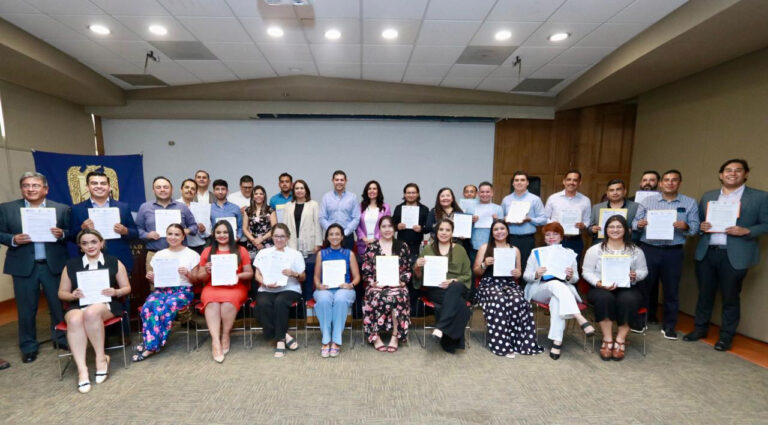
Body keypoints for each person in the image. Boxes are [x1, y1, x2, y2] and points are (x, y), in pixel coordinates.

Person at [685, 159, 768, 351]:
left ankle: (726, 336)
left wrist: (746, 230)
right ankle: (700, 328)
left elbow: (766, 224)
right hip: (707, 253)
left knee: (730, 297)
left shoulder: (760, 197)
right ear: (721, 174)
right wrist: (701, 227)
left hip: (735, 255)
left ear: (745, 174)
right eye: (728, 170)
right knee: (704, 294)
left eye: (738, 170)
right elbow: (697, 222)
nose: (732, 173)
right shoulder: (709, 196)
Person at [0, 171, 70, 363]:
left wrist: (61, 234)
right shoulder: (7, 209)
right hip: (23, 266)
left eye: (35, 185)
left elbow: (71, 233)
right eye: (26, 186)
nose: (31, 189)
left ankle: (61, 338)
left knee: (58, 306)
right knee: (26, 309)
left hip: (53, 265)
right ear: (22, 189)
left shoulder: (61, 209)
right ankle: (29, 347)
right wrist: (12, 239)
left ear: (45, 189)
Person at [57, 229, 131, 393]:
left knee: (91, 313)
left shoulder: (114, 261)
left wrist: (116, 292)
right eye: (85, 243)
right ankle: (82, 370)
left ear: (101, 243)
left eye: (93, 242)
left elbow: (127, 288)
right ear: (80, 247)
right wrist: (72, 295)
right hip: (79, 303)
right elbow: (62, 293)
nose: (90, 246)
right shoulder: (71, 265)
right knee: (75, 319)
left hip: (107, 304)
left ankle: (100, 359)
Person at [632, 169, 699, 340]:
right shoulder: (648, 201)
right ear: (661, 183)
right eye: (666, 180)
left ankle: (669, 326)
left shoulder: (689, 203)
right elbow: (634, 223)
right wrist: (639, 224)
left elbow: (696, 228)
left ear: (679, 183)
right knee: (644, 287)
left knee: (671, 290)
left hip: (673, 252)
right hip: (649, 249)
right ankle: (641, 321)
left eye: (674, 180)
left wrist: (685, 226)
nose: (670, 183)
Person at [69, 171, 137, 338]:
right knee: (94, 296)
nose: (99, 186)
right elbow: (70, 236)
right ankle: (98, 335)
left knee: (122, 296)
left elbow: (135, 233)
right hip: (90, 260)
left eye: (102, 183)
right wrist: (81, 229)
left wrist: (125, 230)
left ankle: (124, 334)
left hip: (118, 258)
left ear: (109, 187)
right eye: (94, 183)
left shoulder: (123, 207)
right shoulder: (77, 210)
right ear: (88, 187)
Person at [523, 222, 595, 360]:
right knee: (554, 284)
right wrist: (536, 274)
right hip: (540, 289)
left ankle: (557, 342)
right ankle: (579, 317)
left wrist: (569, 276)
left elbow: (575, 279)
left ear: (561, 237)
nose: (551, 237)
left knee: (557, 299)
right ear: (544, 238)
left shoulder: (569, 254)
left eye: (555, 234)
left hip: (562, 290)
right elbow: (526, 276)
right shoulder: (536, 252)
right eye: (548, 235)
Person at [472, 219, 542, 358]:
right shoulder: (485, 248)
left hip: (509, 283)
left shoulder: (514, 249)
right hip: (488, 283)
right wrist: (484, 265)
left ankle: (518, 343)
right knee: (498, 300)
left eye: (502, 228)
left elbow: (519, 272)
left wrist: (517, 273)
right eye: (496, 229)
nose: (499, 232)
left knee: (518, 300)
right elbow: (476, 271)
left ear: (507, 231)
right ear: (492, 233)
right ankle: (501, 345)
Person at [582, 216, 648, 361]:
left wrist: (635, 275)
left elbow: (644, 271)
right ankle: (607, 340)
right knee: (604, 298)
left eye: (619, 227)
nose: (615, 230)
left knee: (629, 299)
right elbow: (586, 272)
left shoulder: (636, 251)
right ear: (606, 230)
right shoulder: (595, 250)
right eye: (611, 227)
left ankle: (620, 340)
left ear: (626, 230)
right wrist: (599, 283)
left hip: (627, 287)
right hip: (601, 287)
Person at [133, 223, 200, 362]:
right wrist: (152, 279)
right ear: (166, 235)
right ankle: (149, 342)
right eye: (170, 234)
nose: (173, 237)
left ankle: (151, 347)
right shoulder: (159, 254)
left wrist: (187, 274)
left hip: (183, 290)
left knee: (166, 306)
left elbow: (196, 280)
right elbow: (156, 281)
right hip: (162, 290)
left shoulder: (192, 254)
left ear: (183, 236)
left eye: (177, 234)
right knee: (148, 307)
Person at [195, 220, 253, 362]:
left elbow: (249, 273)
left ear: (230, 234)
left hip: (235, 287)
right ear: (214, 235)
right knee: (212, 302)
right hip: (212, 286)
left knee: (227, 302)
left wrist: (236, 275)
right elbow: (199, 277)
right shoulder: (207, 251)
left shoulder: (241, 250)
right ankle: (215, 341)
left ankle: (226, 334)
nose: (222, 235)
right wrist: (207, 271)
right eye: (218, 232)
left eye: (225, 232)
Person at [413, 218, 472, 353]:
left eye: (448, 230)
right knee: (461, 305)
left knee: (455, 287)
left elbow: (467, 274)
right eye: (441, 229)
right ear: (436, 231)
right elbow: (419, 278)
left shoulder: (460, 250)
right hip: (436, 289)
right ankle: (449, 338)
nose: (444, 233)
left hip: (457, 287)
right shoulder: (428, 249)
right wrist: (416, 267)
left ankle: (440, 327)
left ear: (452, 233)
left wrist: (453, 280)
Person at [252, 224, 305, 358]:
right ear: (272, 237)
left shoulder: (295, 254)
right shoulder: (264, 253)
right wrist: (264, 282)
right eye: (276, 236)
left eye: (282, 236)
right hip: (267, 288)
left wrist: (294, 273)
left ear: (287, 238)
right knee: (261, 304)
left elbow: (303, 277)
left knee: (280, 302)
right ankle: (284, 335)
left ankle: (279, 341)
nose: (279, 239)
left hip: (289, 288)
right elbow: (256, 274)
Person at [361, 216, 411, 352]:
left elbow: (407, 270)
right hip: (377, 286)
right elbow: (366, 271)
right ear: (379, 229)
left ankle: (395, 335)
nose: (387, 229)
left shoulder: (402, 246)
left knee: (399, 295)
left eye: (390, 226)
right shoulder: (372, 247)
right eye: (384, 226)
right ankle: (375, 336)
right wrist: (373, 283)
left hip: (397, 285)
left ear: (394, 228)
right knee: (374, 295)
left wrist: (402, 281)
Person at [313, 224, 361, 358]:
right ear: (327, 237)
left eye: (337, 234)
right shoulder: (321, 254)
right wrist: (318, 285)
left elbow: (357, 277)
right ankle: (326, 340)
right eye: (331, 234)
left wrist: (350, 284)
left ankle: (336, 341)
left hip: (344, 289)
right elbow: (316, 277)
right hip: (325, 289)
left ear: (342, 236)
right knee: (323, 299)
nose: (334, 237)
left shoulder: (349, 254)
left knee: (340, 298)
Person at [136, 176, 198, 272]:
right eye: (158, 187)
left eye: (166, 187)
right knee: (155, 286)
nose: (162, 190)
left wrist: (187, 230)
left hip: (181, 255)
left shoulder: (182, 207)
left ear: (172, 189)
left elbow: (194, 227)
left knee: (182, 284)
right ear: (153, 190)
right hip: (154, 254)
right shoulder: (145, 207)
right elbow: (137, 229)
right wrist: (147, 235)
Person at [283, 179, 323, 301]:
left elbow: (318, 225)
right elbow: (284, 226)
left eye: (302, 188)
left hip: (310, 244)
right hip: (292, 244)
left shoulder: (313, 204)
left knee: (309, 274)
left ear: (306, 190)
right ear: (293, 191)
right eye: (297, 188)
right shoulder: (288, 206)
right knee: (295, 275)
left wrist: (318, 243)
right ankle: (298, 305)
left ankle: (308, 301)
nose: (299, 190)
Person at [501, 171, 547, 272]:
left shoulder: (535, 199)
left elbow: (544, 219)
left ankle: (524, 288)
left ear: (527, 183)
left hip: (527, 240)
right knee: (508, 266)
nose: (519, 182)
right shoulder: (506, 200)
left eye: (522, 180)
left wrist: (530, 219)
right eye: (516, 180)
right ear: (513, 183)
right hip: (509, 238)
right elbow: (501, 219)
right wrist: (504, 220)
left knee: (525, 266)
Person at [544, 170, 591, 262]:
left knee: (572, 269)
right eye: (569, 179)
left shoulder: (585, 200)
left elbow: (587, 220)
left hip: (575, 240)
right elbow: (545, 218)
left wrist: (584, 225)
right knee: (553, 265)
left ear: (579, 183)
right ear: (564, 181)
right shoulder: (553, 198)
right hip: (555, 239)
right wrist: (553, 224)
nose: (571, 182)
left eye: (575, 180)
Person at [589, 179, 639, 245]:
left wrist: (631, 232)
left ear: (624, 191)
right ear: (607, 193)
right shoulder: (597, 207)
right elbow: (589, 228)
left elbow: (641, 231)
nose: (615, 192)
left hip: (627, 246)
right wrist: (592, 229)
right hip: (601, 244)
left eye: (618, 189)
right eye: (611, 190)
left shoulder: (636, 207)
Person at [319, 170, 360, 250]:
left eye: (342, 180)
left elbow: (356, 218)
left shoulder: (352, 197)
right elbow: (322, 217)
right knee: (330, 261)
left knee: (347, 261)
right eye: (337, 180)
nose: (339, 182)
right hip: (330, 237)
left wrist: (344, 233)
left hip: (347, 236)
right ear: (333, 181)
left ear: (346, 181)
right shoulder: (326, 197)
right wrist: (332, 232)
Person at [465, 182, 503, 267]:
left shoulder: (498, 208)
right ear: (478, 193)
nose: (485, 194)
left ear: (492, 193)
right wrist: (471, 222)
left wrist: (497, 221)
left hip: (494, 245)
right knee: (475, 270)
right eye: (482, 192)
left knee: (492, 271)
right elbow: (465, 230)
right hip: (475, 246)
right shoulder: (471, 208)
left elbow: (503, 229)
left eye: (487, 192)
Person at [392, 183, 429, 262]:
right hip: (401, 244)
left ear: (418, 194)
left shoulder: (424, 209)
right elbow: (392, 225)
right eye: (408, 193)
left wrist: (421, 229)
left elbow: (428, 228)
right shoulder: (399, 208)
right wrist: (397, 226)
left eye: (413, 193)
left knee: (415, 267)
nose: (411, 195)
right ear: (405, 194)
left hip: (417, 245)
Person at [356, 180, 391, 256]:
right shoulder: (360, 206)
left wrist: (375, 239)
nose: (372, 191)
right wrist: (364, 238)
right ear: (366, 191)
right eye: (369, 189)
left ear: (378, 191)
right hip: (363, 244)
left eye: (374, 189)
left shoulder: (385, 207)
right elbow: (357, 224)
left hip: (380, 244)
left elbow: (387, 226)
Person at [243, 185, 276, 260]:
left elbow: (274, 229)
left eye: (261, 194)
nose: (258, 196)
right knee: (253, 267)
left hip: (267, 243)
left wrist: (261, 239)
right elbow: (244, 228)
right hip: (252, 244)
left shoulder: (270, 210)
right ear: (253, 196)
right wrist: (254, 241)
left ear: (264, 196)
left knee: (268, 267)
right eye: (256, 194)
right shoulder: (247, 210)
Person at [176, 178, 208, 253]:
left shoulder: (201, 207)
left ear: (196, 192)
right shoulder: (173, 206)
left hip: (198, 247)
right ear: (181, 189)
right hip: (178, 246)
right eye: (187, 187)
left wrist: (203, 230)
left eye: (193, 189)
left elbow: (206, 233)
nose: (189, 190)